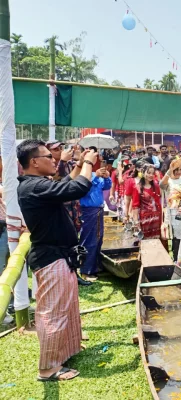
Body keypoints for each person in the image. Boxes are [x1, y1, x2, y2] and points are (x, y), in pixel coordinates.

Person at [17, 139, 98, 381]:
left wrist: (80, 165)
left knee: (66, 307)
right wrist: (88, 164)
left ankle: (65, 351)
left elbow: (63, 186)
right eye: (48, 157)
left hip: (61, 256)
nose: (54, 160)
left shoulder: (36, 185)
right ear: (34, 162)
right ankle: (48, 368)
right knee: (53, 312)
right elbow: (78, 189)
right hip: (52, 257)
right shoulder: (32, 186)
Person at [79, 165, 112, 282]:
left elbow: (107, 186)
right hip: (88, 211)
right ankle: (85, 270)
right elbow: (82, 188)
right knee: (89, 240)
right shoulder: (83, 176)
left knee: (98, 239)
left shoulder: (97, 175)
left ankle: (95, 267)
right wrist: (95, 177)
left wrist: (107, 177)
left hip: (98, 210)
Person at [160, 158, 181, 260]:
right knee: (175, 240)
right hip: (172, 215)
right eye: (175, 169)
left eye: (179, 169)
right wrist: (169, 170)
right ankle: (175, 260)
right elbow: (161, 184)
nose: (178, 172)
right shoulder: (168, 181)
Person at [131, 164, 162, 240]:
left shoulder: (156, 186)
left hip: (157, 218)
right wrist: (136, 222)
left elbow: (159, 201)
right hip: (144, 220)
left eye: (152, 173)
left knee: (156, 242)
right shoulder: (137, 188)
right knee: (145, 242)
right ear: (142, 172)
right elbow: (135, 206)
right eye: (149, 173)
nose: (151, 175)